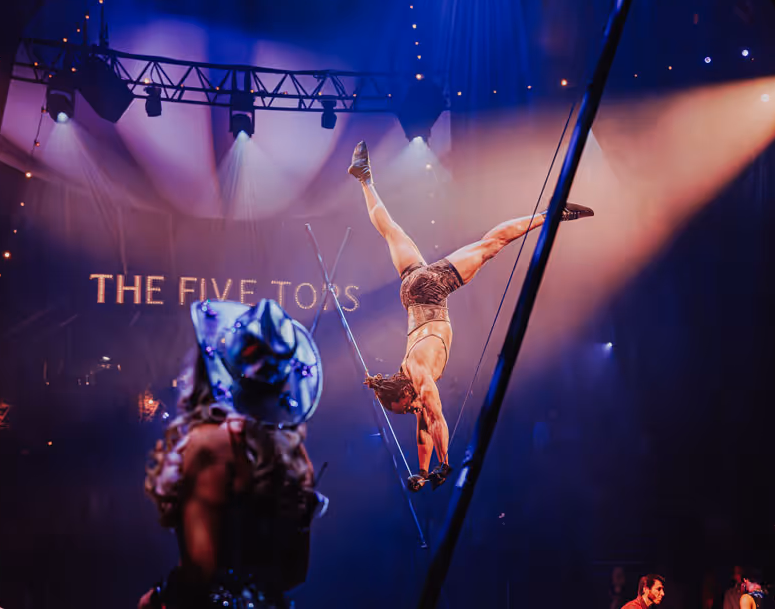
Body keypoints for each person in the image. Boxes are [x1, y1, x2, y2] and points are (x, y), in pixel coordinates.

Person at [348, 140, 595, 491]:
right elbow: (423, 432)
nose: (411, 410)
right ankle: (364, 179)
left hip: (431, 290)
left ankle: (551, 214)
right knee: (390, 230)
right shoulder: (410, 379)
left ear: (405, 394)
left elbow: (435, 419)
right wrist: (422, 472)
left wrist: (445, 465)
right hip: (411, 290)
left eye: (405, 407)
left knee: (490, 244)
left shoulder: (420, 377)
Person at [140, 298, 329, 609]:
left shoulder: (210, 445)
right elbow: (295, 573)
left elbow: (200, 572)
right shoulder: (296, 457)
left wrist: (158, 599)